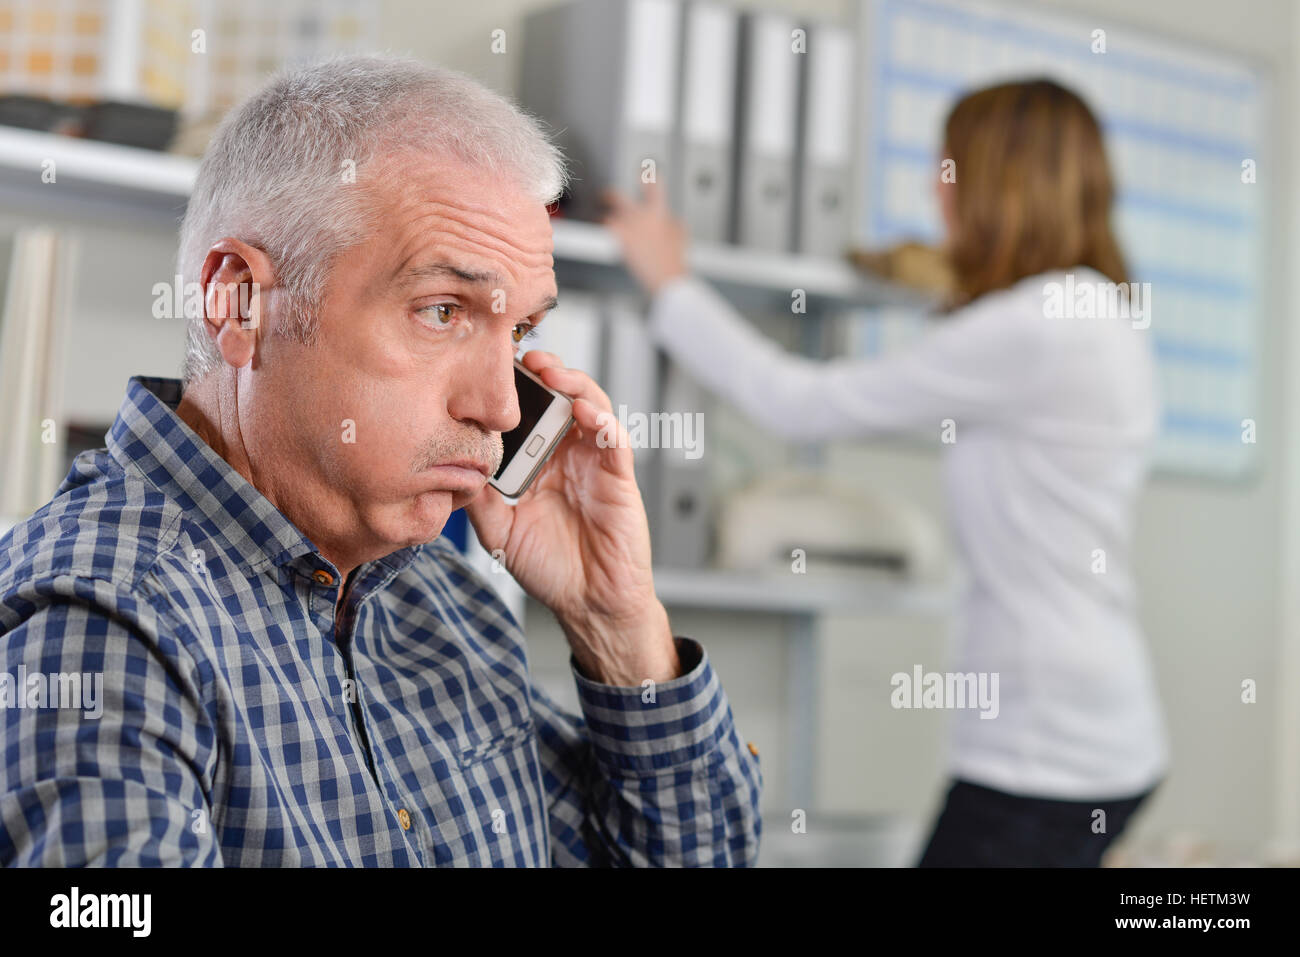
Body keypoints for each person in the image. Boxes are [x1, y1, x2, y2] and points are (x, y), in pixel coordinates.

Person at [0, 55, 762, 867]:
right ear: (241, 303)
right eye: (442, 310)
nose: (503, 407)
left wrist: (616, 624)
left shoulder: (443, 604)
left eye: (520, 334)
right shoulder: (102, 627)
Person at [603, 78, 1166, 867]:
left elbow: (801, 403)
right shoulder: (1095, 310)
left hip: (1047, 746)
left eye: (950, 172)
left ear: (1000, 184)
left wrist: (671, 283)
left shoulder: (1034, 327)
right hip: (1098, 722)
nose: (940, 193)